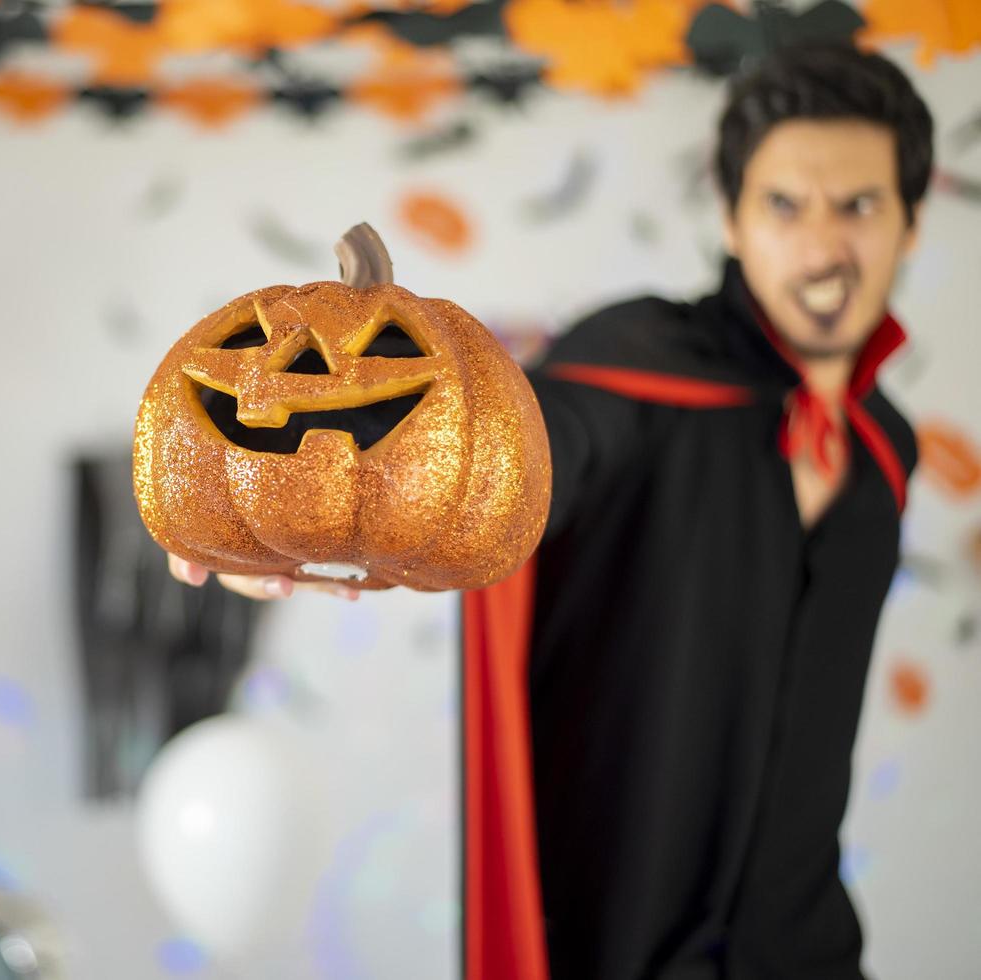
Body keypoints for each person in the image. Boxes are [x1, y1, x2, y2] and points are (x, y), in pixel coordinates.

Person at [165, 41, 932, 980]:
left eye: (858, 205)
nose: (822, 246)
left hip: (810, 954)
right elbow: (520, 447)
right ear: (731, 219)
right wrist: (276, 482)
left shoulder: (887, 450)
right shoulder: (643, 359)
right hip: (618, 951)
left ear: (910, 223)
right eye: (784, 204)